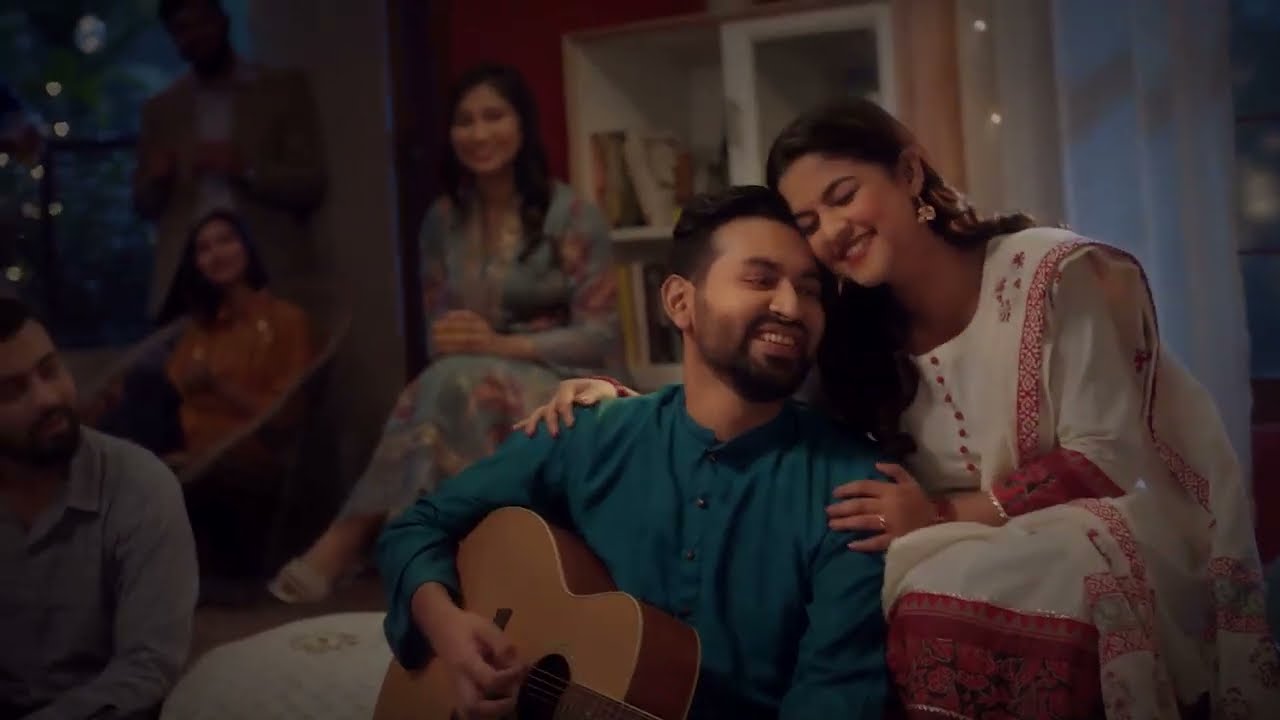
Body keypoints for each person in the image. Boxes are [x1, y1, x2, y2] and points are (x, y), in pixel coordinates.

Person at [513, 98, 1280, 718]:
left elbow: (1103, 459)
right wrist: (621, 403)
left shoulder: (1048, 274)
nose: (832, 232)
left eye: (843, 196)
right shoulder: (848, 332)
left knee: (1000, 579)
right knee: (885, 588)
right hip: (933, 543)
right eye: (808, 224)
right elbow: (749, 393)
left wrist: (943, 513)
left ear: (910, 173)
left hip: (1090, 526)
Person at [377, 185, 889, 719]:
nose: (790, 307)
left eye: (808, 290)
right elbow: (415, 527)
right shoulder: (588, 432)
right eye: (760, 280)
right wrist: (450, 631)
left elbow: (838, 695)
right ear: (679, 302)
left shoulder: (855, 489)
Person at [268, 63, 620, 603]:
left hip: (568, 382)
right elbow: (439, 332)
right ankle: (455, 565)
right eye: (465, 121)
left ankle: (356, 540)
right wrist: (462, 342)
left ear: (522, 124)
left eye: (494, 116)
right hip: (468, 376)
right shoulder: (442, 220)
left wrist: (500, 345)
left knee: (448, 386)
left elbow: (600, 334)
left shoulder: (572, 214)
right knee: (451, 383)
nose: (479, 133)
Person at [0, 296, 198, 719]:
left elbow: (149, 666)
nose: (47, 398)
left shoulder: (139, 486)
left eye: (50, 370)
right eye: (12, 391)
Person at [135, 0, 327, 322]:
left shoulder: (281, 90)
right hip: (189, 272)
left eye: (202, 22)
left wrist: (246, 169)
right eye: (182, 29)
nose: (195, 35)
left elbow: (311, 183)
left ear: (223, 21)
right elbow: (143, 204)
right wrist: (157, 179)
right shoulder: (162, 110)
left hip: (266, 264)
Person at [163, 208, 314, 470]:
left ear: (247, 246)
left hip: (242, 452)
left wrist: (218, 386)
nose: (216, 254)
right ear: (197, 265)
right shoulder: (202, 327)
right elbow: (171, 389)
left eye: (226, 240)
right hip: (182, 441)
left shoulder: (287, 320)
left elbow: (286, 416)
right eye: (204, 249)